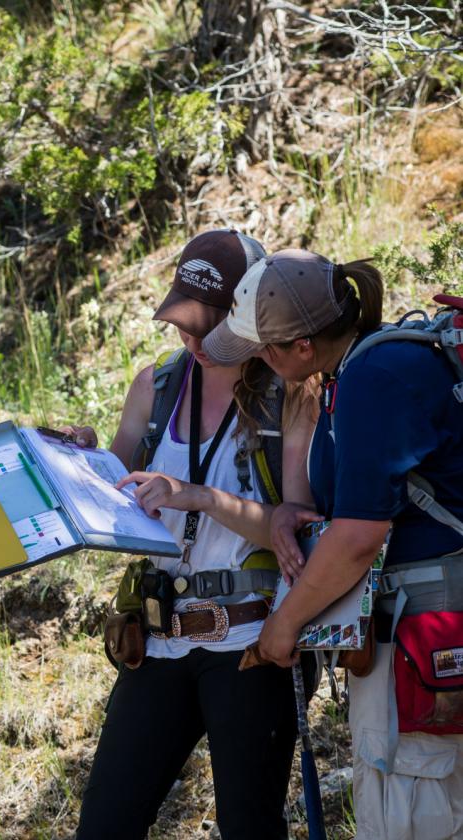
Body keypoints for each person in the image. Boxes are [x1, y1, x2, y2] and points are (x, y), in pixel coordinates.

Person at [202, 248, 463, 838]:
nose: (259, 362)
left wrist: (283, 626)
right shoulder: (392, 360)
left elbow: (358, 537)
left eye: (266, 349)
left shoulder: (371, 379)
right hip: (438, 624)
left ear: (301, 348)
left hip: (425, 634)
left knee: (412, 811)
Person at [69, 230, 319, 840]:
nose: (194, 342)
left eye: (210, 328)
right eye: (185, 324)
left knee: (250, 826)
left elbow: (297, 529)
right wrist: (76, 459)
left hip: (251, 641)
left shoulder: (288, 390)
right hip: (157, 637)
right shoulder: (156, 386)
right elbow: (112, 492)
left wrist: (199, 497)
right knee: (105, 822)